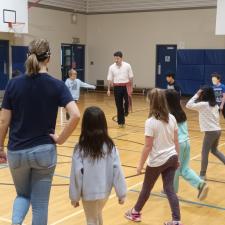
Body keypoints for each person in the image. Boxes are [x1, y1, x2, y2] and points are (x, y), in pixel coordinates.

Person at [0, 39, 80, 225]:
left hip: (17, 151)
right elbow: (75, 115)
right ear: (49, 59)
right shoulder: (57, 85)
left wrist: (0, 147)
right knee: (40, 204)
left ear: (28, 56)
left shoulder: (13, 84)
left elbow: (4, 121)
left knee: (22, 195)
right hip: (44, 151)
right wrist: (60, 139)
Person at [125, 88, 183, 225]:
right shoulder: (172, 118)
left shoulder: (150, 122)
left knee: (146, 188)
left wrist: (140, 165)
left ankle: (135, 213)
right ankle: (176, 221)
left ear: (151, 102)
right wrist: (177, 158)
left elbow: (148, 146)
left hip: (157, 161)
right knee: (169, 189)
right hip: (172, 157)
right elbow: (176, 141)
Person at [69, 106, 127, 225]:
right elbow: (117, 171)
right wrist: (121, 193)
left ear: (85, 125)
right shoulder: (111, 147)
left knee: (91, 220)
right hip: (104, 193)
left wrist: (74, 197)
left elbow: (76, 173)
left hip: (88, 193)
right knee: (97, 215)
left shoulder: (80, 148)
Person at [165, 89, 208, 200]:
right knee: (184, 169)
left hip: (177, 144)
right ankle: (200, 184)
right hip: (186, 142)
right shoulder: (181, 112)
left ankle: (172, 192)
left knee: (173, 169)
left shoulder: (170, 115)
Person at [186, 86, 225, 180]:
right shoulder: (215, 105)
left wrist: (197, 94)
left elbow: (188, 105)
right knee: (214, 150)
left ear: (204, 94)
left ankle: (202, 175)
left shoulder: (203, 105)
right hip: (217, 131)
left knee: (204, 153)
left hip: (211, 132)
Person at [107, 51, 134, 128]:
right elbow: (109, 78)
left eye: (117, 58)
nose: (116, 60)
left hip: (126, 86)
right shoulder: (111, 67)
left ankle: (126, 110)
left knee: (127, 101)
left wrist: (131, 87)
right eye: (115, 58)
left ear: (121, 58)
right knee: (119, 105)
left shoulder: (127, 66)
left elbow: (131, 77)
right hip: (116, 87)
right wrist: (108, 89)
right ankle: (121, 122)